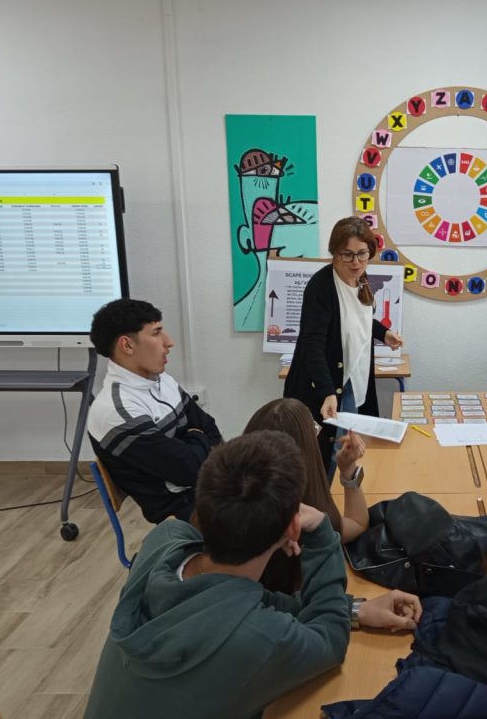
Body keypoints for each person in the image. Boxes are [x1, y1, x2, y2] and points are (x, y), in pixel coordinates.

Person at [83, 431, 422, 719]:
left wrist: (355, 609)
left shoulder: (165, 541)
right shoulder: (259, 639)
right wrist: (320, 535)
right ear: (293, 527)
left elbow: (245, 605)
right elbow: (329, 643)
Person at [284, 216, 402, 474]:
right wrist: (327, 391)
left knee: (350, 448)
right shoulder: (321, 287)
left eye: (362, 253)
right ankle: (330, 498)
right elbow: (312, 343)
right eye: (347, 255)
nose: (356, 262)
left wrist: (383, 333)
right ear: (334, 253)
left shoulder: (360, 277)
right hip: (326, 382)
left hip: (353, 376)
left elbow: (357, 318)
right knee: (329, 455)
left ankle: (346, 492)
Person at [87, 298, 222, 523]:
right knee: (275, 516)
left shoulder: (162, 380)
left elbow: (211, 430)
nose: (169, 342)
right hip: (184, 511)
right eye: (156, 333)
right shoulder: (117, 411)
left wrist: (193, 441)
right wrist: (197, 436)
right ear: (127, 346)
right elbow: (187, 470)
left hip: (208, 488)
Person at [245, 398, 370, 593]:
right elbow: (358, 524)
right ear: (305, 451)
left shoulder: (236, 509)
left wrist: (347, 468)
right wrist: (348, 471)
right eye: (315, 429)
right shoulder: (309, 517)